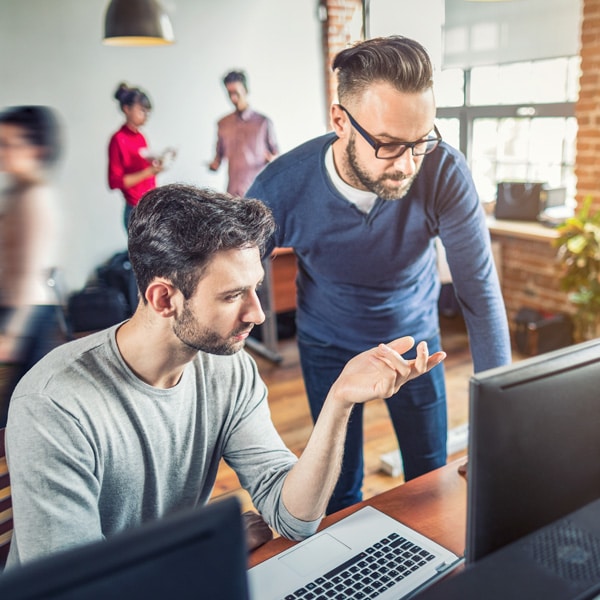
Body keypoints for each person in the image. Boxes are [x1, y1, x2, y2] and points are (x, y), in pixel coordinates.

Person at [4, 183, 445, 568]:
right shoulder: (54, 405)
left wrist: (340, 400)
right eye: (233, 295)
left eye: (255, 287)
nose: (257, 312)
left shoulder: (227, 368)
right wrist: (203, 548)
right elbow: (76, 589)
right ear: (163, 298)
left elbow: (293, 515)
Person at [246, 35, 511, 514]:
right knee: (340, 490)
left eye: (421, 141)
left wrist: (500, 426)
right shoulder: (280, 186)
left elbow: (479, 293)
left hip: (416, 345)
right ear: (340, 121)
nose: (408, 165)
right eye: (389, 145)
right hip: (328, 344)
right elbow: (231, 283)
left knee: (429, 481)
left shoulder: (443, 171)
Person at [0, 105, 64, 428]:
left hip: (30, 314)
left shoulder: (34, 198)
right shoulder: (17, 192)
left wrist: (12, 333)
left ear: (37, 149)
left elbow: (29, 273)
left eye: (10, 144)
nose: (2, 152)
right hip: (14, 307)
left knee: (18, 413)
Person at [108, 82, 173, 231]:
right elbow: (115, 181)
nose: (146, 116)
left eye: (147, 112)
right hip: (135, 210)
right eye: (142, 111)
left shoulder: (140, 137)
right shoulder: (118, 139)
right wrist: (149, 171)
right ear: (127, 109)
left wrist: (157, 165)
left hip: (150, 206)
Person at [209, 70, 279, 196]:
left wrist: (273, 160)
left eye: (236, 92)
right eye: (229, 93)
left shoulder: (263, 123)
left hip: (259, 191)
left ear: (245, 90)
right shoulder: (222, 124)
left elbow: (276, 155)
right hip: (232, 193)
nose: (233, 98)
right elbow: (218, 157)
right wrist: (214, 165)